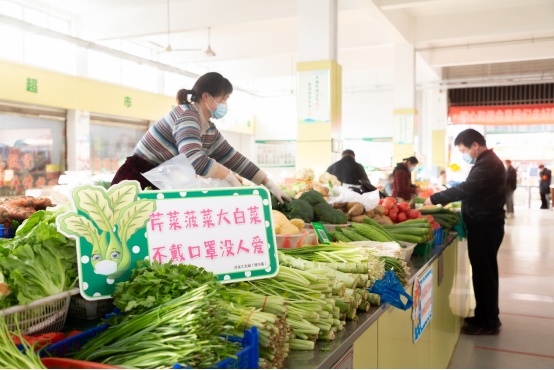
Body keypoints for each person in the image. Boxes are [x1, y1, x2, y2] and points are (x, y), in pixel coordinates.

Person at [111, 72, 291, 203]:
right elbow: (195, 159)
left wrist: (268, 184)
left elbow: (234, 159)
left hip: (160, 184)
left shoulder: (209, 129)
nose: (225, 104)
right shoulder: (187, 116)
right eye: (224, 99)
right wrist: (228, 176)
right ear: (206, 96)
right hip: (137, 181)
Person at [423, 129, 505, 335]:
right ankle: (486, 315)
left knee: (484, 274)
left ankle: (487, 322)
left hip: (486, 226)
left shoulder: (488, 164)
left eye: (463, 150)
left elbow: (467, 188)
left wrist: (435, 198)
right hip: (485, 224)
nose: (463, 154)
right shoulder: (487, 162)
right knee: (484, 273)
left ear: (475, 145)